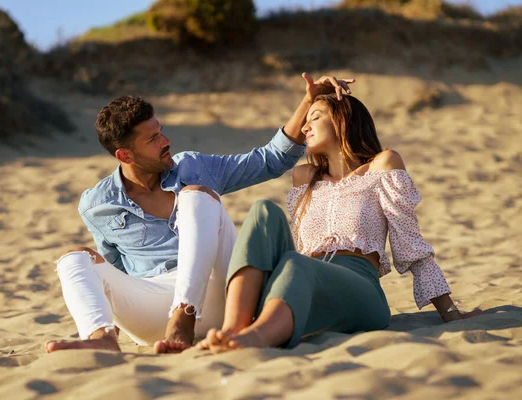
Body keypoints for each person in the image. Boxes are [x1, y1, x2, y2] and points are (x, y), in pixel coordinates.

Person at [45, 74, 355, 354]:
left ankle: (184, 315)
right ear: (125, 155)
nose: (166, 142)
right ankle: (101, 337)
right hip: (153, 312)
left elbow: (270, 160)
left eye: (161, 132)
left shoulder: (193, 166)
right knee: (75, 258)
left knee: (195, 195)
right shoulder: (96, 204)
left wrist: (308, 100)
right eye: (152, 140)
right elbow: (113, 268)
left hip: (220, 293)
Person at [199, 90, 483, 353]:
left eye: (316, 117)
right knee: (263, 210)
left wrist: (449, 312)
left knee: (298, 263)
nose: (305, 127)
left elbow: (409, 243)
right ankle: (232, 330)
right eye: (305, 121)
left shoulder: (382, 165)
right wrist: (309, 97)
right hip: (304, 281)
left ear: (342, 120)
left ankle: (254, 339)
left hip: (361, 289)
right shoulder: (304, 177)